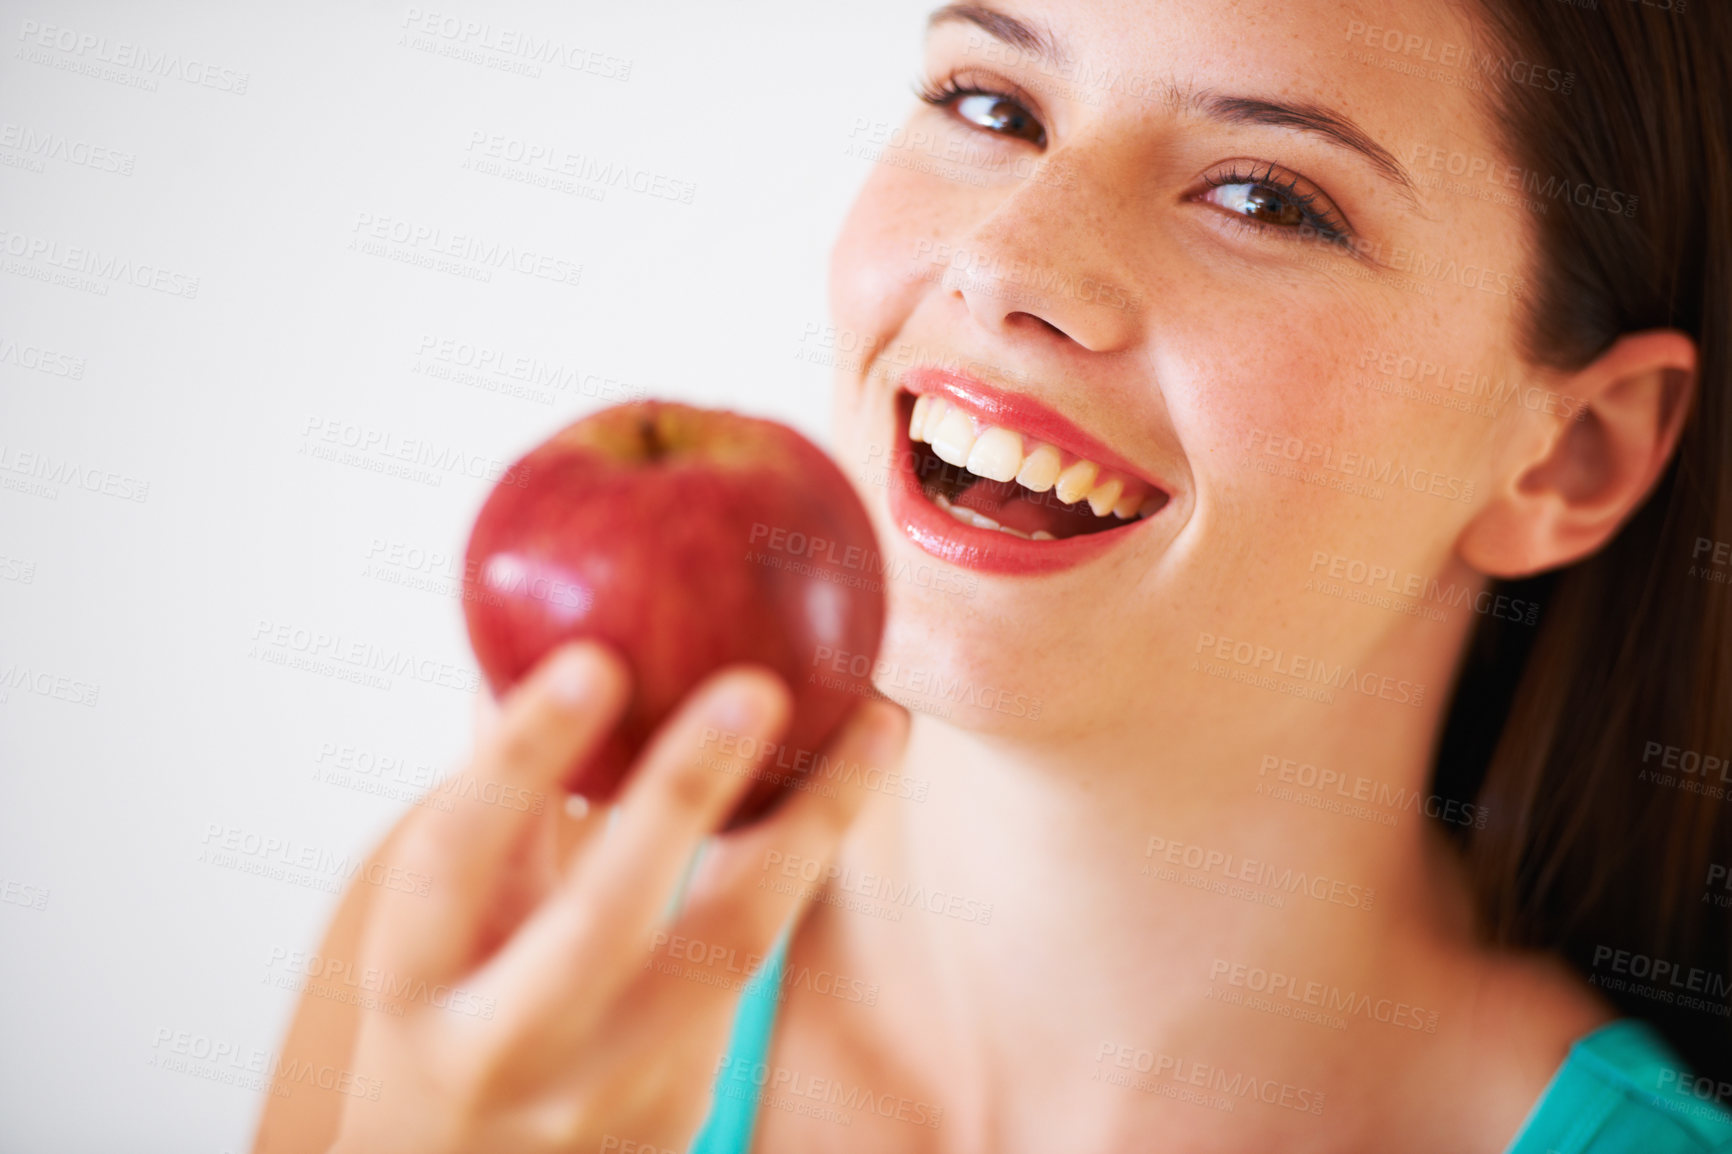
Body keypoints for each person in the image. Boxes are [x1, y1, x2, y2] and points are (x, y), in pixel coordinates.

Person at [255, 0, 1732, 1150]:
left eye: (1266, 198)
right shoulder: (508, 963)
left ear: (1573, 455)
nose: (1008, 257)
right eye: (992, 102)